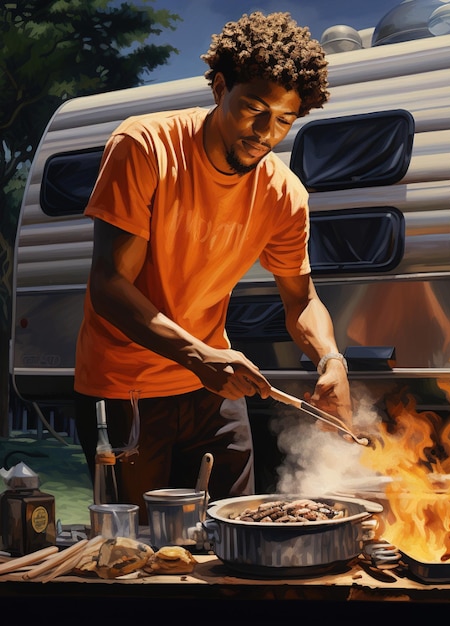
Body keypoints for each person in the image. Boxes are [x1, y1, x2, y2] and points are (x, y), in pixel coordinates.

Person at [73, 11, 353, 523]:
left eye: (285, 121)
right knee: (136, 553)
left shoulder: (284, 194)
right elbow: (109, 285)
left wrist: (331, 359)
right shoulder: (146, 148)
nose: (266, 133)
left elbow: (302, 300)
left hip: (211, 389)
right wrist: (198, 356)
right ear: (220, 87)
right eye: (253, 109)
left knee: (235, 529)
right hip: (127, 389)